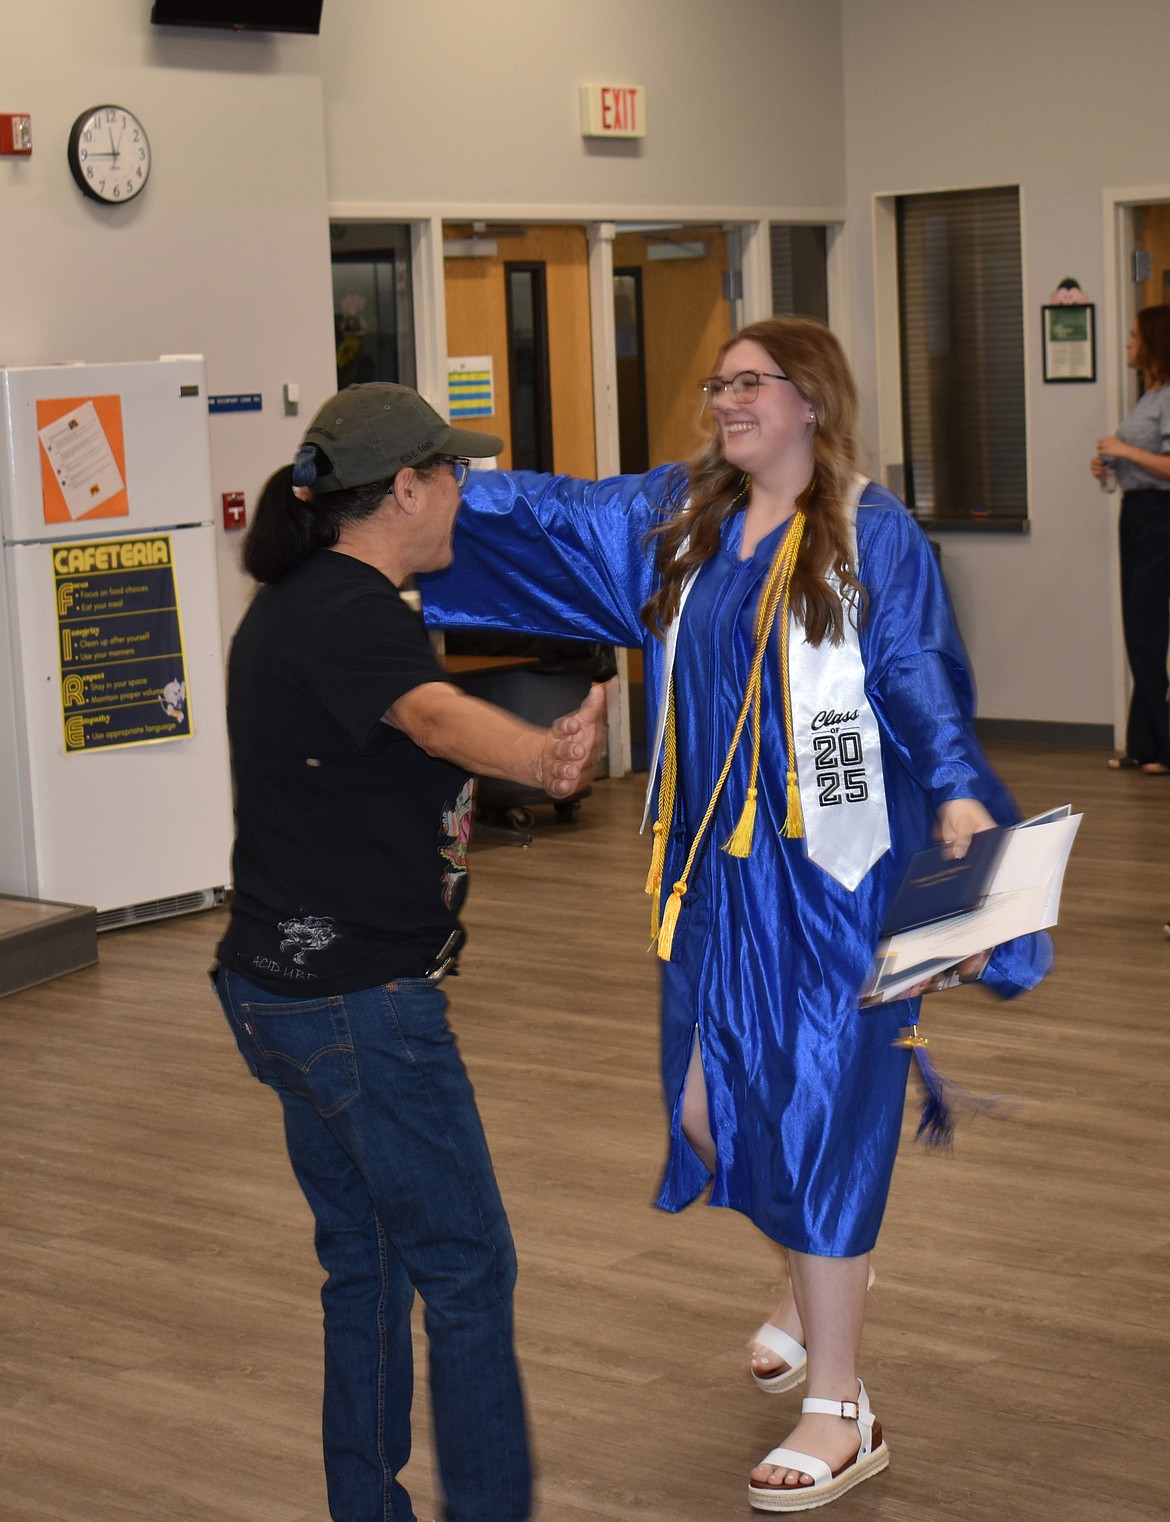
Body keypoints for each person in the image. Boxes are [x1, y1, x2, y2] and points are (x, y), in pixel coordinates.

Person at [419, 318, 1051, 1512]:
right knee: (714, 1107)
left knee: (817, 1113)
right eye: (719, 383)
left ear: (813, 400)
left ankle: (842, 1403)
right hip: (709, 879)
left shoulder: (871, 531)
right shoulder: (685, 521)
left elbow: (911, 665)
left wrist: (960, 787)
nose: (725, 399)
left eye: (751, 383)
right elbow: (553, 516)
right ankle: (807, 1287)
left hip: (829, 881)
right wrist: (420, 493)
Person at [211, 382, 607, 1522]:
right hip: (352, 1005)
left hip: (284, 988)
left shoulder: (305, 601)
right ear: (405, 490)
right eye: (455, 478)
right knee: (469, 1271)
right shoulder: (348, 609)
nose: (465, 497)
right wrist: (544, 759)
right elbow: (432, 717)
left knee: (370, 1265)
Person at [1093, 303, 1170, 775]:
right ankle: (1145, 745)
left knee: (1147, 634)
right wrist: (1111, 466)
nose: (1128, 343)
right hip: (1138, 514)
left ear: (1154, 342)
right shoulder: (1150, 395)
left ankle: (1162, 746)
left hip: (1161, 517)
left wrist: (1124, 450)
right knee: (1140, 631)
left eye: (1134, 335)